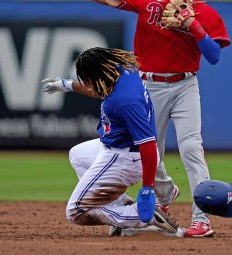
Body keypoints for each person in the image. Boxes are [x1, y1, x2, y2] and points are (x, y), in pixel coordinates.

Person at [37, 0, 231, 237]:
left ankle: (201, 219)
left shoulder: (206, 13)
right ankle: (162, 199)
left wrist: (192, 23)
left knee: (191, 148)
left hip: (185, 84)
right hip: (149, 84)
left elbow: (214, 55)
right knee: (150, 151)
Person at [42, 47, 178, 235]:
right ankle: (120, 206)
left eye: (88, 78)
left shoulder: (125, 101)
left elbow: (148, 144)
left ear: (97, 74)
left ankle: (139, 216)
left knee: (75, 210)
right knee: (78, 155)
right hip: (115, 147)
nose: (87, 82)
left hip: (126, 157)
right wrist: (68, 85)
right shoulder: (122, 71)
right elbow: (99, 89)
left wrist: (147, 190)